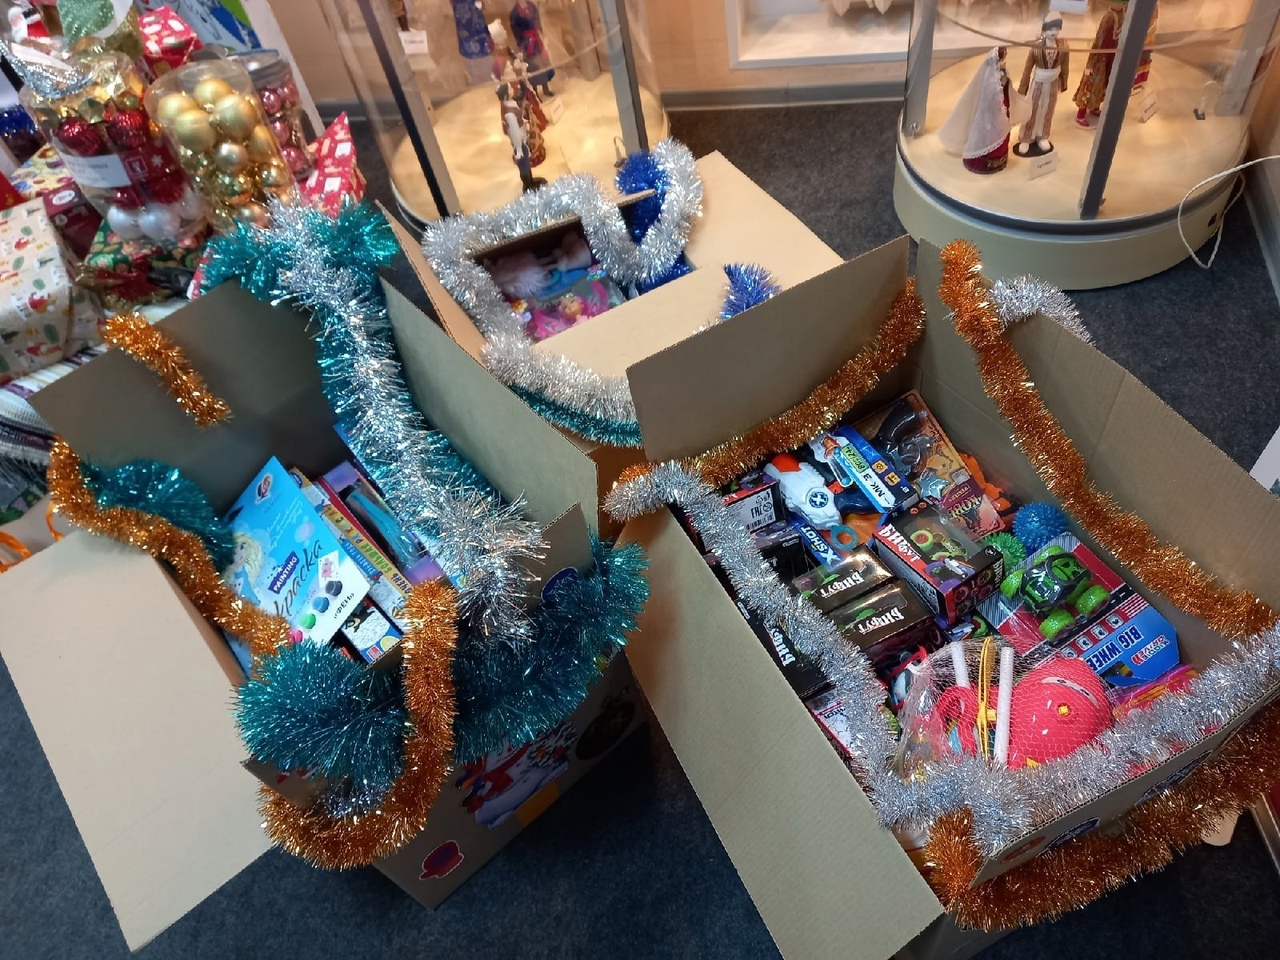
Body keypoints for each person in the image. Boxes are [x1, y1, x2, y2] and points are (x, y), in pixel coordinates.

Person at [939, 47, 1030, 174]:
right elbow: (989, 96)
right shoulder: (991, 77)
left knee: (1003, 135)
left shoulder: (1003, 72)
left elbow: (1007, 89)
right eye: (1002, 57)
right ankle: (987, 158)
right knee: (991, 135)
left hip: (1003, 108)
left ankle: (1000, 158)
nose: (1004, 60)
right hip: (991, 112)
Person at [1015, 14, 1070, 158]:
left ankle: (1043, 135)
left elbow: (1065, 65)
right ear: (1044, 29)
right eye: (1050, 28)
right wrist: (1023, 87)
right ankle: (1026, 137)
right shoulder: (1036, 47)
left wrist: (1064, 81)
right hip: (1039, 81)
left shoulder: (1063, 46)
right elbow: (1028, 68)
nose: (1054, 32)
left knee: (1048, 109)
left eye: (1057, 28)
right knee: (1033, 107)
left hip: (1053, 82)